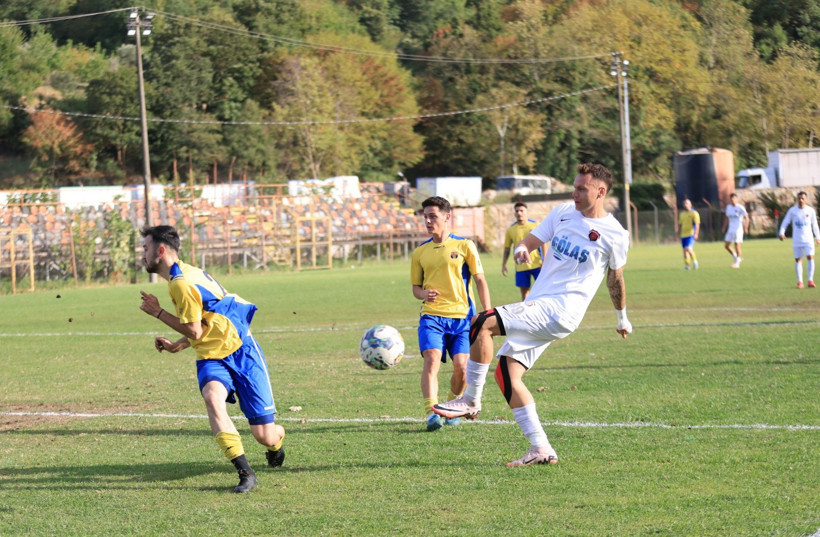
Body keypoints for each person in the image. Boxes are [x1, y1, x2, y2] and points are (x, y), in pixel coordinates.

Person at [433, 163, 632, 466]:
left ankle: (471, 400)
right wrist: (521, 250)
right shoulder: (563, 212)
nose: (575, 192)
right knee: (506, 374)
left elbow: (615, 278)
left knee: (482, 322)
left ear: (600, 192)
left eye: (582, 188)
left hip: (561, 310)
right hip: (540, 306)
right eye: (575, 186)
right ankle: (541, 448)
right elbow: (531, 241)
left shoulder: (616, 234)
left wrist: (622, 317)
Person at [138, 225, 285, 493]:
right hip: (211, 355)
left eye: (145, 248)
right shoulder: (182, 275)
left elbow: (196, 328)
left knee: (265, 435)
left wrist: (158, 312)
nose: (142, 255)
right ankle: (245, 473)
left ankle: (276, 443)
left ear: (160, 250)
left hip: (241, 351)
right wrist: (180, 346)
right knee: (212, 398)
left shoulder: (181, 282)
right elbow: (207, 322)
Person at [410, 196, 492, 432]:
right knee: (432, 360)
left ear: (447, 216)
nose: (427, 220)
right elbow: (416, 288)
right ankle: (431, 413)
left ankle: (452, 404)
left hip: (463, 319)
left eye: (433, 215)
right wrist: (424, 294)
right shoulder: (420, 252)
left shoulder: (465, 246)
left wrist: (486, 314)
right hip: (432, 317)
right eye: (425, 216)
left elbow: (480, 279)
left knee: (462, 368)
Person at [778, 191, 820, 288]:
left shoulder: (810, 211)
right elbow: (785, 222)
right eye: (799, 198)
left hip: (808, 239)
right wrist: (781, 233)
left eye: (803, 198)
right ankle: (800, 282)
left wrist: (818, 237)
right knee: (798, 260)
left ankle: (810, 280)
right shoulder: (792, 211)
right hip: (797, 240)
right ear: (797, 199)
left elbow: (815, 226)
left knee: (810, 257)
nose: (801, 200)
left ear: (806, 200)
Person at [502, 202, 543, 299]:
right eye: (517, 211)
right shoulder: (511, 230)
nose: (519, 213)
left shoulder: (535, 225)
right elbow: (507, 248)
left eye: (521, 210)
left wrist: (544, 260)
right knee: (524, 293)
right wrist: (504, 264)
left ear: (526, 212)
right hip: (521, 266)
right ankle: (527, 312)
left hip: (537, 264)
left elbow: (543, 243)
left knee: (542, 291)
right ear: (514, 214)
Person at [722, 193, 750, 268]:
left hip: (738, 229)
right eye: (731, 198)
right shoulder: (728, 207)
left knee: (737, 245)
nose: (733, 199)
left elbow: (747, 218)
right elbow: (727, 218)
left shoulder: (740, 207)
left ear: (737, 199)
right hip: (730, 229)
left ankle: (737, 263)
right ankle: (736, 258)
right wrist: (724, 227)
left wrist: (746, 227)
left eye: (734, 198)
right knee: (726, 246)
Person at [677, 198, 700, 270]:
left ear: (690, 204)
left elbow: (697, 224)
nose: (685, 205)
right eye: (684, 203)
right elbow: (680, 224)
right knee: (685, 250)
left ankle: (695, 261)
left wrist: (696, 233)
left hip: (691, 234)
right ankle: (687, 265)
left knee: (688, 248)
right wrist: (677, 233)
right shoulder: (682, 214)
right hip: (683, 235)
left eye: (687, 203)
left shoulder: (694, 213)